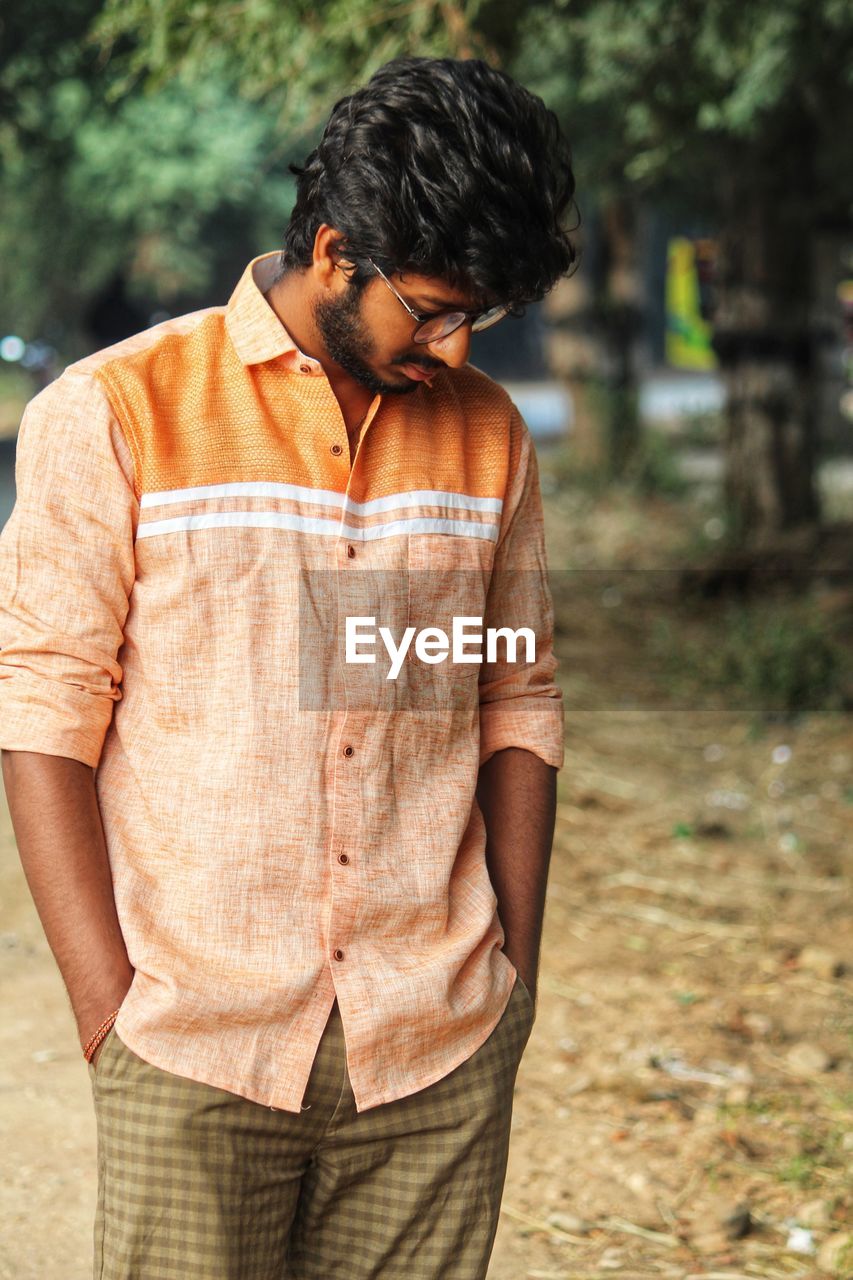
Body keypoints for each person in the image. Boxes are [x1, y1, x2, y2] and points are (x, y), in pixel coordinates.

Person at [0, 54, 577, 1280]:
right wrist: (113, 1011)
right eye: (428, 306)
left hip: (435, 1045)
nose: (456, 341)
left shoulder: (487, 435)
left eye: (478, 313)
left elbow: (512, 699)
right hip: (195, 1044)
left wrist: (509, 973)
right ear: (331, 251)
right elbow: (44, 716)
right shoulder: (113, 411)